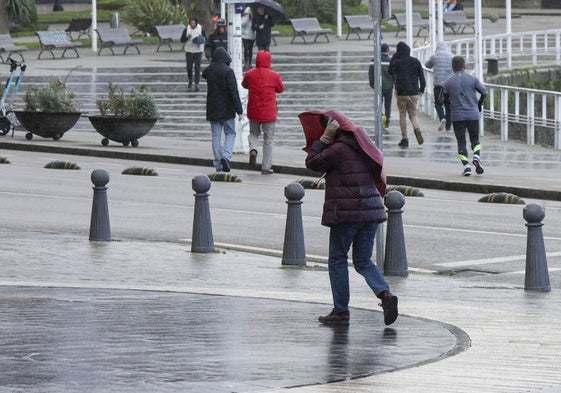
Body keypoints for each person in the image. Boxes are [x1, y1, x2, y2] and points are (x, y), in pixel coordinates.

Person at [302, 110, 399, 327]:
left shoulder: (337, 149)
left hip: (347, 213)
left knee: (337, 259)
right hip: (372, 210)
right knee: (363, 260)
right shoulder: (363, 145)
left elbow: (312, 162)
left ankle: (340, 311)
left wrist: (325, 138)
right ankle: (384, 294)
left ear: (333, 128)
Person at [440, 56, 487, 176]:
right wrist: (479, 105)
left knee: (461, 142)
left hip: (457, 116)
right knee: (475, 139)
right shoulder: (473, 79)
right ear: (464, 66)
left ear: (452, 67)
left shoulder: (447, 82)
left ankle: (466, 167)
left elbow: (441, 99)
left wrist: (448, 107)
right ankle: (476, 156)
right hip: (473, 114)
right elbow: (484, 92)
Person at [242, 50, 285, 174]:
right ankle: (266, 167)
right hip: (269, 113)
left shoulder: (250, 74)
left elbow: (244, 85)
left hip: (254, 111)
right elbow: (281, 89)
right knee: (268, 140)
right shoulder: (274, 75)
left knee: (254, 133)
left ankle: (253, 150)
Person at [202, 47, 244, 172]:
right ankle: (226, 156)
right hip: (227, 109)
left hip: (213, 109)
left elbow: (204, 74)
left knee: (216, 135)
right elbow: (233, 92)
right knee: (230, 133)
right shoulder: (228, 71)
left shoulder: (209, 71)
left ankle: (218, 163)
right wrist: (239, 110)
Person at [388, 41, 426, 148]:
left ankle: (404, 139)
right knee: (413, 114)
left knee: (402, 115)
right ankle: (416, 128)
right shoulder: (416, 61)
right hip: (414, 92)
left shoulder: (397, 61)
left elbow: (390, 71)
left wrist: (394, 57)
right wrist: (421, 89)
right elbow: (422, 78)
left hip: (401, 93)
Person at [425, 41, 454, 132]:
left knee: (438, 103)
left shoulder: (435, 56)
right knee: (448, 105)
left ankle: (442, 118)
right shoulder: (452, 56)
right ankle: (448, 128)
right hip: (449, 84)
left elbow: (427, 65)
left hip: (438, 84)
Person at [369, 43, 393, 130]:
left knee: (378, 104)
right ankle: (387, 122)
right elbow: (393, 74)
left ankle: (380, 118)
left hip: (378, 87)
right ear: (387, 50)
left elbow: (371, 74)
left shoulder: (374, 60)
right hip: (388, 87)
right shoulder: (390, 61)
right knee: (388, 104)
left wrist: (373, 85)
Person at [182, 16, 204, 92]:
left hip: (198, 50)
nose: (192, 25)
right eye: (191, 23)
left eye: (194, 23)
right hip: (189, 50)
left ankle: (197, 83)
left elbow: (205, 38)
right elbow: (182, 40)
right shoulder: (186, 29)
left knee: (197, 68)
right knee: (189, 67)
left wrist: (199, 39)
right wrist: (187, 38)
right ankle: (190, 80)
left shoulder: (201, 28)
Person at [241, 7, 256, 71]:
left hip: (251, 36)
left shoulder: (253, 19)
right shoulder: (244, 19)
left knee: (250, 50)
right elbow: (242, 24)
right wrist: (247, 18)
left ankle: (249, 62)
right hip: (245, 36)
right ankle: (245, 62)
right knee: (245, 49)